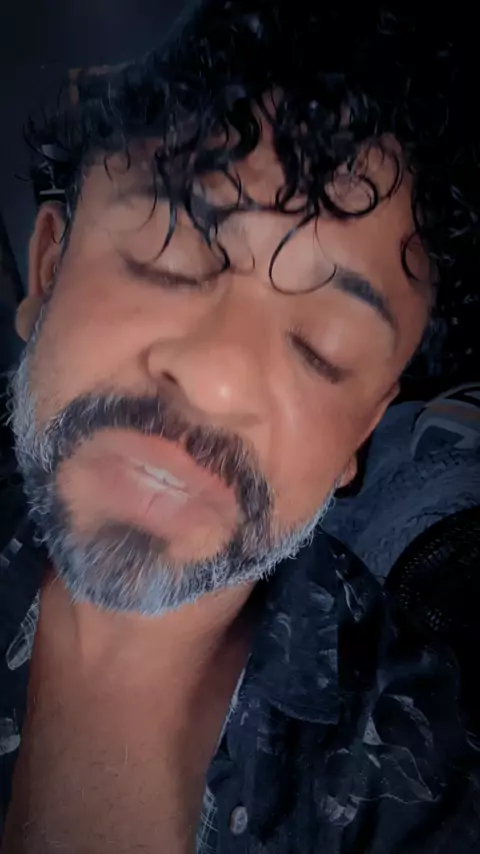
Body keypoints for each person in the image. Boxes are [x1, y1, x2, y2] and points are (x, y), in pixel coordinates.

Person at [0, 2, 479, 851]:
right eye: (168, 248)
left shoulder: (419, 782)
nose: (217, 380)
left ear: (361, 433)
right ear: (46, 270)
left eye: (322, 348)